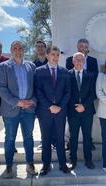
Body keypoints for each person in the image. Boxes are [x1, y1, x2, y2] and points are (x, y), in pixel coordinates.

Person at [0, 41, 37, 178]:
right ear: (11, 50)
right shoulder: (2, 67)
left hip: (29, 110)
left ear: (24, 50)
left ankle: (30, 163)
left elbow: (37, 87)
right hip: (11, 109)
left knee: (29, 138)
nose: (18, 50)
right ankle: (8, 166)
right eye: (15, 48)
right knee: (10, 138)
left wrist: (33, 101)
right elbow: (1, 89)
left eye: (20, 48)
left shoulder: (31, 66)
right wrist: (17, 102)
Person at [35, 46, 71, 175]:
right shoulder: (39, 71)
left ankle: (63, 164)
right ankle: (46, 165)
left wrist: (59, 106)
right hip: (45, 111)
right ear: (47, 55)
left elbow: (68, 92)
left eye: (57, 55)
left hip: (60, 111)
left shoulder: (65, 72)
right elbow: (38, 91)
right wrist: (50, 106)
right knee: (46, 139)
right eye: (52, 54)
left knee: (60, 138)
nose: (55, 57)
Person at [66, 38, 98, 151]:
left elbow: (94, 80)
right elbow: (68, 84)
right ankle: (71, 149)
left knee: (87, 130)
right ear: (77, 47)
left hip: (87, 103)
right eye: (81, 46)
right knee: (73, 132)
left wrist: (84, 104)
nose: (83, 49)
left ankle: (89, 146)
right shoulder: (70, 59)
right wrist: (75, 103)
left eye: (85, 47)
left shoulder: (93, 61)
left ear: (88, 48)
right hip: (73, 104)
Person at [68, 52, 96, 169]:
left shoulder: (90, 75)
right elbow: (66, 93)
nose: (79, 62)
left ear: (84, 62)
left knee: (87, 136)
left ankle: (88, 160)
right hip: (72, 111)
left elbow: (93, 93)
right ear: (73, 62)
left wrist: (83, 105)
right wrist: (76, 106)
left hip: (87, 111)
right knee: (73, 137)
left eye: (81, 59)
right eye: (76, 59)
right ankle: (72, 160)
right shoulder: (67, 75)